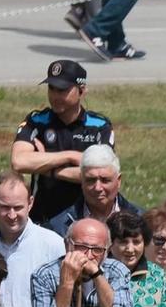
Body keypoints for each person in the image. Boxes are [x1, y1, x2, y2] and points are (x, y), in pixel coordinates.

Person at [12, 59, 114, 230]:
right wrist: (70, 156)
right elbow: (19, 162)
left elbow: (101, 175)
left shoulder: (99, 126)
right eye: (51, 88)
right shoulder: (37, 121)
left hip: (87, 220)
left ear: (82, 91)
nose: (55, 96)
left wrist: (47, 167)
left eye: (63, 90)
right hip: (41, 219)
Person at [0, 175, 66, 307]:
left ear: (30, 203)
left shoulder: (54, 247)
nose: (12, 215)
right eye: (5, 207)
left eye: (18, 208)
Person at [48, 144, 142, 239]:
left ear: (118, 181)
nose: (98, 188)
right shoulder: (59, 227)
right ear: (81, 180)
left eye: (105, 180)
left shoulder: (141, 220)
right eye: (90, 180)